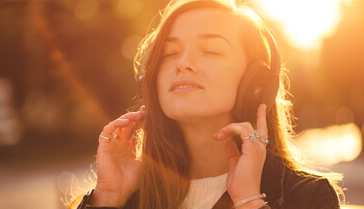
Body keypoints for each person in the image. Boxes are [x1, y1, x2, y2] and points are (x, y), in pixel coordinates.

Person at [70, 0, 344, 208]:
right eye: (169, 52)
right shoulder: (123, 196)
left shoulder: (308, 197)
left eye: (211, 50)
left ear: (255, 83)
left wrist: (249, 200)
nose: (182, 64)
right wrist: (107, 197)